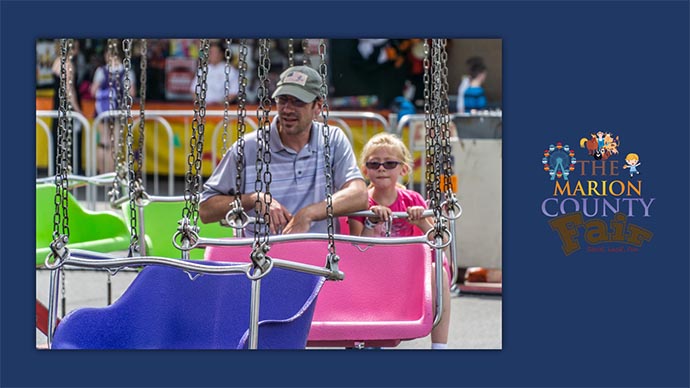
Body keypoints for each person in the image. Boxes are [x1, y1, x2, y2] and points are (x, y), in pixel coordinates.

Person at [199, 65, 368, 235]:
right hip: (261, 257)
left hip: (319, 255)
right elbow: (205, 210)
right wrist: (254, 199)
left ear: (318, 107)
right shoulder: (247, 148)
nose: (287, 109)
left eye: (298, 102)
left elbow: (359, 194)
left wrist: (308, 214)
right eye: (283, 100)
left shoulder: (332, 139)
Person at [348, 132, 451, 350]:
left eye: (390, 163)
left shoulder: (413, 200)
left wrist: (422, 220)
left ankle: (440, 346)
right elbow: (358, 249)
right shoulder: (361, 203)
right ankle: (372, 336)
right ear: (365, 170)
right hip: (374, 271)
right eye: (374, 164)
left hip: (409, 272)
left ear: (403, 169)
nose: (382, 168)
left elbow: (438, 240)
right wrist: (369, 222)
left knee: (439, 271)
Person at [90, 46, 136, 174]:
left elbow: (93, 91)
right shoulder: (126, 72)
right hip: (118, 111)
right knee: (114, 143)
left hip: (101, 112)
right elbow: (131, 93)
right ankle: (111, 173)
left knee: (103, 142)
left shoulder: (101, 71)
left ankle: (102, 172)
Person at [51, 39, 83, 174]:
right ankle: (73, 169)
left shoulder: (56, 61)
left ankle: (57, 169)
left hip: (57, 105)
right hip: (67, 107)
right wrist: (78, 111)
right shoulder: (68, 64)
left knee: (57, 137)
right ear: (72, 49)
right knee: (72, 138)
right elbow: (69, 90)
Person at [189, 40, 239, 105]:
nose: (213, 55)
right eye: (211, 52)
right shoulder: (202, 69)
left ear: (221, 54)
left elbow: (234, 92)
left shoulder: (230, 70)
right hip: (204, 107)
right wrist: (200, 103)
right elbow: (194, 90)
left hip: (222, 107)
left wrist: (219, 104)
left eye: (216, 52)